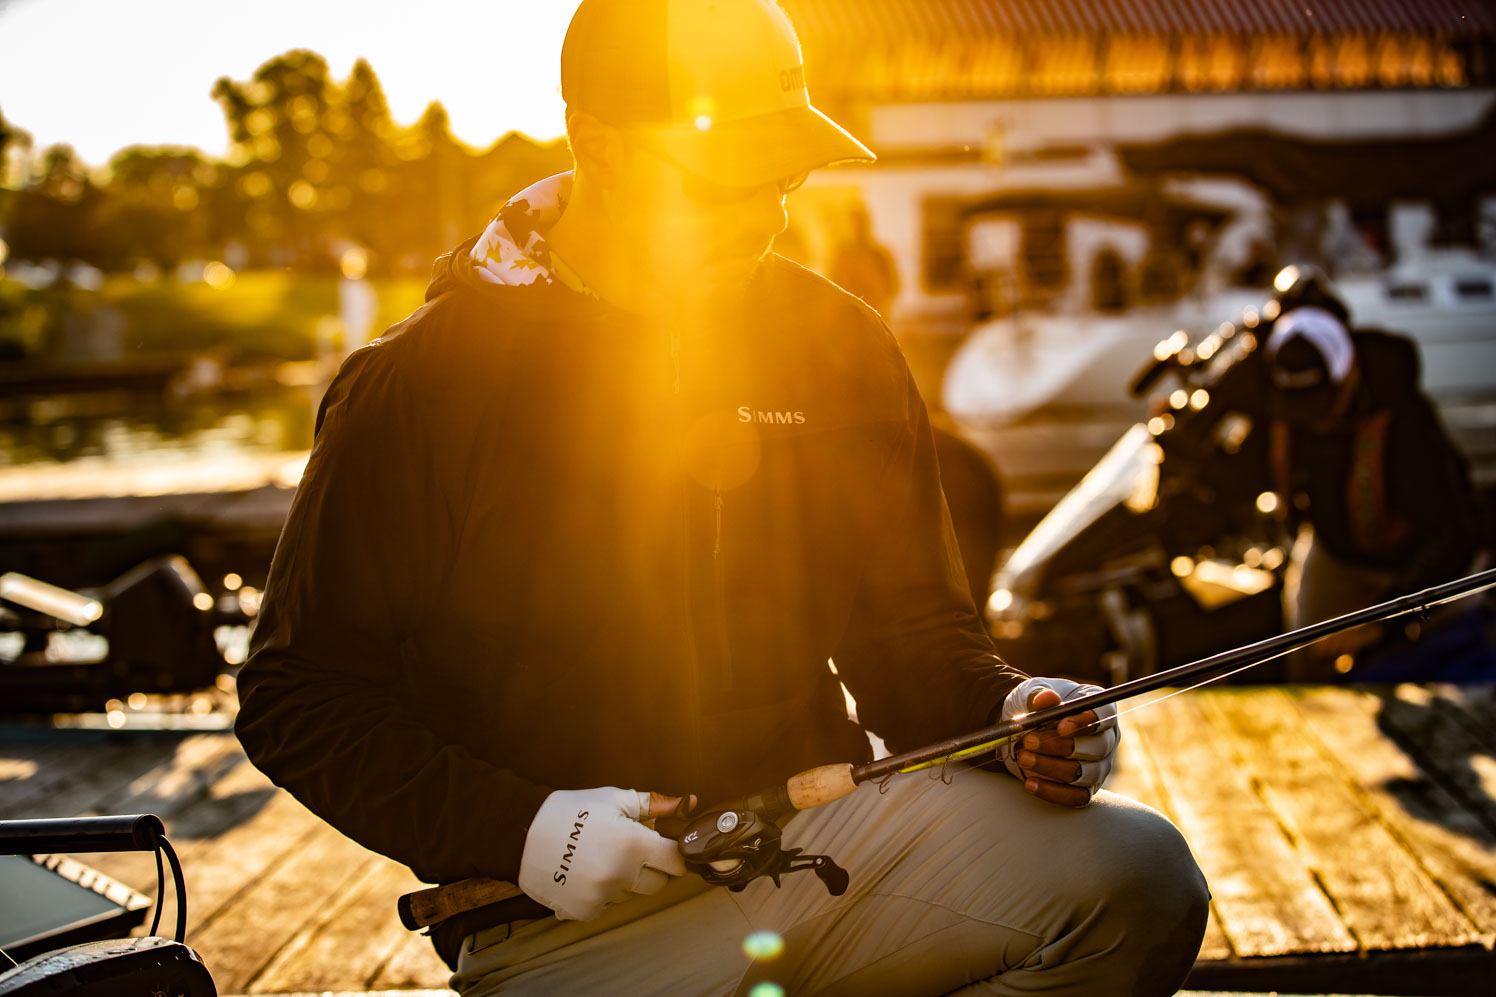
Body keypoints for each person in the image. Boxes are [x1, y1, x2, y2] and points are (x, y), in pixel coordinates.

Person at [234, 2, 1209, 994]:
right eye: (723, 178)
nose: (768, 215)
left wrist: (1010, 712)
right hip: (554, 920)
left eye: (781, 176)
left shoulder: (841, 343)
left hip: (824, 841)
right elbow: (295, 694)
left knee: (1137, 877)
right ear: (598, 145)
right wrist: (524, 830)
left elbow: (912, 637)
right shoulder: (415, 383)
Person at [1265, 267, 1486, 679]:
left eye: (1322, 401)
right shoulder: (1282, 398)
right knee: (1302, 661)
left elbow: (1454, 534)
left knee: (1442, 670)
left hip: (1422, 566)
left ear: (1346, 373)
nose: (1313, 419)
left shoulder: (1407, 422)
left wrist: (1384, 620)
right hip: (1335, 554)